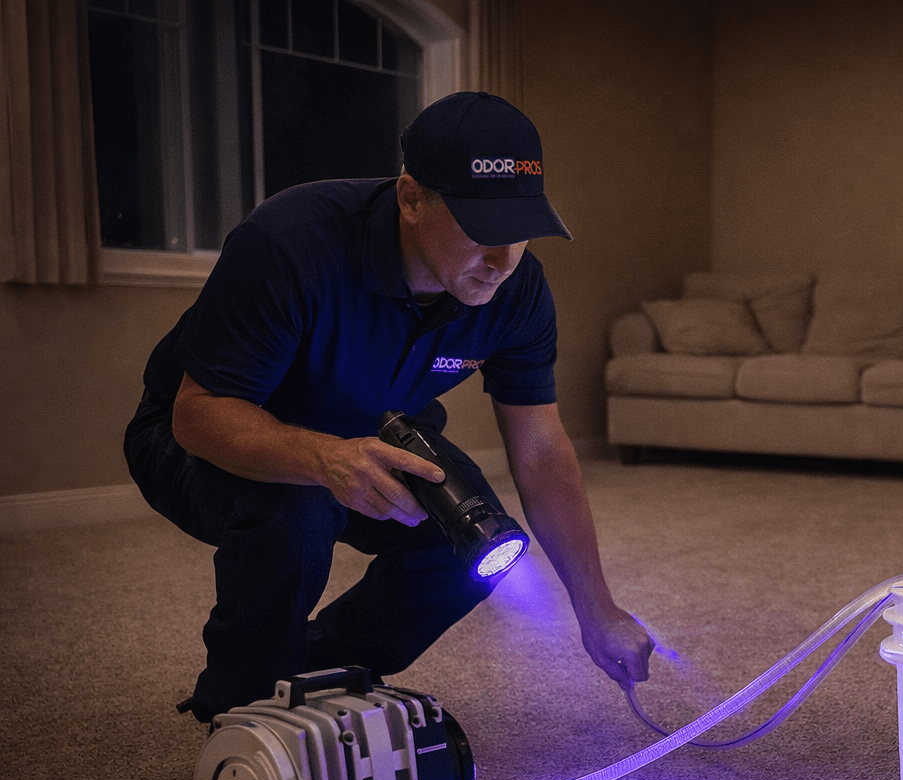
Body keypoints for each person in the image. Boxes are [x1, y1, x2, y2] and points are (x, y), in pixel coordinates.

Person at [125, 91, 653, 722]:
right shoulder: (290, 244)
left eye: (520, 232)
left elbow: (541, 449)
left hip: (373, 427)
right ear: (411, 199)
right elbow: (198, 413)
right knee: (297, 509)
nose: (501, 261)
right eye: (484, 231)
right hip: (201, 432)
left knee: (477, 541)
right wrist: (325, 459)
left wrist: (597, 608)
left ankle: (308, 673)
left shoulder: (518, 290)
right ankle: (243, 711)